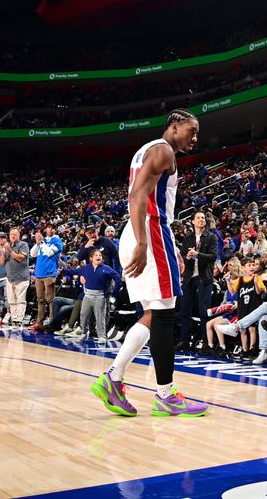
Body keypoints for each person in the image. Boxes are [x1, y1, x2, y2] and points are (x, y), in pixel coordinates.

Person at [90, 109, 208, 418]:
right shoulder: (164, 150)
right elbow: (137, 194)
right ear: (173, 126)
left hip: (142, 230)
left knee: (154, 314)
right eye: (190, 130)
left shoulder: (148, 150)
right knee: (167, 315)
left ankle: (113, 379)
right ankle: (165, 395)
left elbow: (142, 193)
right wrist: (145, 242)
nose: (194, 137)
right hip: (150, 230)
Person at [176, 210, 218, 351]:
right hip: (189, 277)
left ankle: (206, 343)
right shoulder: (188, 238)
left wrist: (197, 254)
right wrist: (188, 258)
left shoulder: (211, 237)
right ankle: (184, 341)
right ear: (192, 221)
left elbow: (213, 256)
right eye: (198, 218)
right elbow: (182, 257)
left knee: (203, 311)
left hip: (204, 278)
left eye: (203, 218)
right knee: (184, 310)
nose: (201, 220)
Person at [62, 249, 122, 342]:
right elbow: (73, 272)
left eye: (100, 256)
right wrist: (64, 271)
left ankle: (102, 336)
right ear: (91, 258)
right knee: (83, 315)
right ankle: (84, 333)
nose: (98, 257)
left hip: (100, 297)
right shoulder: (86, 268)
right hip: (87, 296)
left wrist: (114, 292)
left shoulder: (106, 268)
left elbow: (117, 277)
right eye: (96, 255)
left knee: (100, 316)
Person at [30, 224, 63, 330]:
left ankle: (52, 322)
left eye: (53, 228)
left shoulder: (57, 241)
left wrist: (41, 242)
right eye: (49, 228)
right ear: (46, 229)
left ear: (55, 230)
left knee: (50, 300)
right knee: (40, 299)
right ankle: (39, 322)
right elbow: (32, 254)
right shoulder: (42, 241)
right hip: (39, 274)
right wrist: (37, 242)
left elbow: (49, 253)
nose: (51, 230)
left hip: (49, 273)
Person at [2, 227, 30, 326]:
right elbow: (2, 262)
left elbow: (21, 258)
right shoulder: (8, 246)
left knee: (20, 300)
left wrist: (9, 251)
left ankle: (19, 320)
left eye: (15, 234)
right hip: (10, 278)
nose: (13, 236)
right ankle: (14, 319)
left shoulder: (23, 245)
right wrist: (2, 251)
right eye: (11, 234)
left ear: (19, 235)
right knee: (12, 300)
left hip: (22, 278)